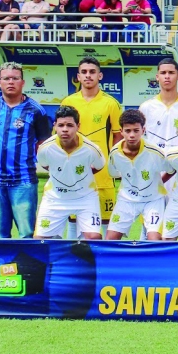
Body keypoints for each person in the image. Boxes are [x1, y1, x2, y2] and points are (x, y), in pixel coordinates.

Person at [0, 62, 52, 238]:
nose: (10, 82)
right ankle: (3, 266)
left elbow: (43, 144)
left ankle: (26, 266)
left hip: (23, 180)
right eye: (6, 78)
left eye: (15, 78)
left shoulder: (36, 111)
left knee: (27, 233)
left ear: (23, 82)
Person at [61, 57, 123, 237]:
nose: (88, 76)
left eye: (92, 72)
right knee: (74, 220)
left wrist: (114, 166)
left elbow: (118, 137)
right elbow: (61, 137)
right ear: (78, 77)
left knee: (105, 222)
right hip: (74, 173)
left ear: (100, 76)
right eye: (84, 72)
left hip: (103, 176)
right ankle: (74, 260)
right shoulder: (68, 102)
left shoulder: (111, 103)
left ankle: (106, 262)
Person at [34, 106, 106, 240]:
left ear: (78, 126)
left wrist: (78, 178)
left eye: (70, 125)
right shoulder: (45, 148)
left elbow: (99, 166)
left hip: (85, 197)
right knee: (40, 241)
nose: (65, 129)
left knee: (94, 237)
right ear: (55, 126)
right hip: (55, 197)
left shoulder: (91, 149)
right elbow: (45, 165)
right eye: (61, 125)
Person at [106, 109, 169, 241]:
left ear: (143, 130)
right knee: (110, 239)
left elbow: (171, 169)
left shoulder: (155, 152)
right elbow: (113, 173)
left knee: (155, 240)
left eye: (136, 130)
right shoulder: (115, 153)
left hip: (153, 200)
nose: (132, 135)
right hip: (127, 199)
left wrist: (158, 183)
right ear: (121, 131)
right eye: (128, 131)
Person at [138, 58, 178, 153]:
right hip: (154, 162)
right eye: (163, 73)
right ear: (157, 77)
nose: (167, 76)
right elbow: (139, 138)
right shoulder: (146, 107)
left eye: (171, 73)